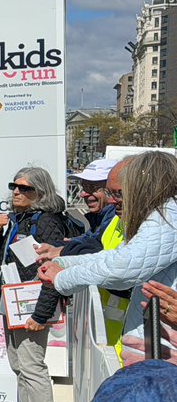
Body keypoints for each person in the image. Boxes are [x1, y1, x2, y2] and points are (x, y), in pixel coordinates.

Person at [41, 152, 177, 367]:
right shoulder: (160, 215)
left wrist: (63, 279)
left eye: (119, 193)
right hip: (155, 345)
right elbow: (116, 255)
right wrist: (66, 264)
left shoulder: (167, 216)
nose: (113, 200)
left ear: (144, 187)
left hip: (162, 352)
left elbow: (122, 268)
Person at [0, 167, 69, 402]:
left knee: (32, 368)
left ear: (40, 193)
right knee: (19, 365)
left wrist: (42, 314)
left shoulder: (46, 222)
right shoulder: (20, 219)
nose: (16, 192)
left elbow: (52, 272)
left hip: (31, 306)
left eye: (25, 188)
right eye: (14, 186)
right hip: (14, 302)